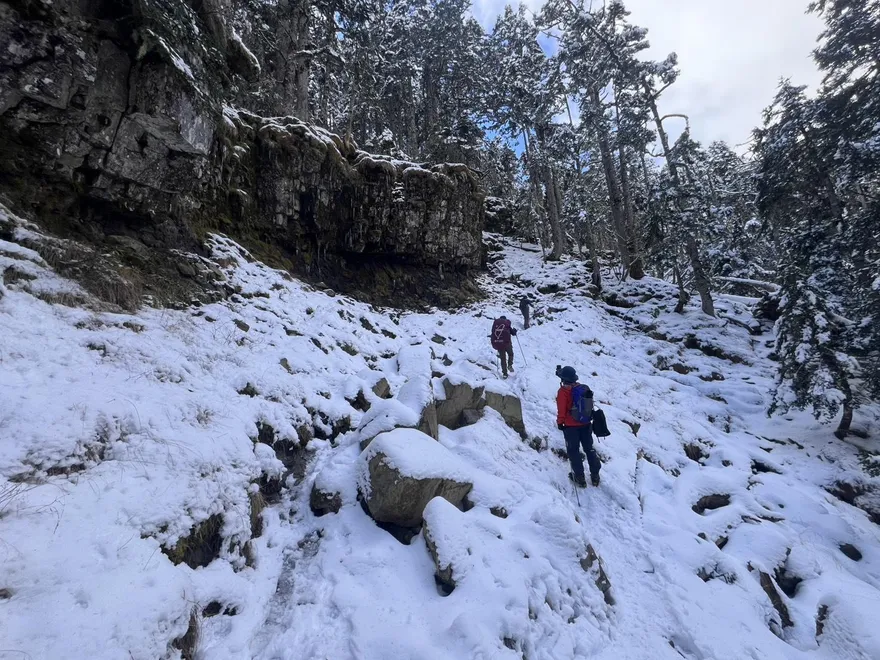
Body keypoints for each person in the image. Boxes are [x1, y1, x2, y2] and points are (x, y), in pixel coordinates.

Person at [556, 365, 601, 487]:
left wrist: (560, 423)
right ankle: (595, 475)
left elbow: (562, 410)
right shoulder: (583, 388)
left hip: (571, 426)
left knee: (573, 451)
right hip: (586, 424)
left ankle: (580, 477)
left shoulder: (563, 392)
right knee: (589, 449)